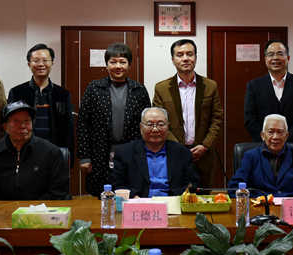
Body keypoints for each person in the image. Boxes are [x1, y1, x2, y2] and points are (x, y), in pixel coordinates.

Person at [77, 43, 150, 196]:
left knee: (130, 194)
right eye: (113, 62)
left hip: (131, 153)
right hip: (99, 153)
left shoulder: (139, 90)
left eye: (122, 62)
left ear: (129, 65)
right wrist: (84, 157)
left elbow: (147, 125)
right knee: (101, 195)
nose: (118, 66)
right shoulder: (94, 88)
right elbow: (83, 123)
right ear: (106, 65)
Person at [153, 39, 223, 187]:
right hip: (173, 153)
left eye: (189, 54)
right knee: (175, 195)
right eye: (180, 55)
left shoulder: (210, 86)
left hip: (203, 155)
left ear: (195, 57)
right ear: (173, 59)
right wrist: (179, 149)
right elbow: (159, 122)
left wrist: (205, 145)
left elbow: (217, 119)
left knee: (204, 195)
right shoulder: (161, 88)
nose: (185, 58)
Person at [0, 101, 69, 200]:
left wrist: (32, 207)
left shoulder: (51, 153)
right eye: (16, 121)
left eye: (27, 121)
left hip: (40, 208)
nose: (23, 126)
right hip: (1, 208)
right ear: (5, 127)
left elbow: (59, 193)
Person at [112, 107, 200, 198]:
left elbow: (192, 183)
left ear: (168, 127)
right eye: (149, 124)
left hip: (173, 202)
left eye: (160, 124)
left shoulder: (182, 152)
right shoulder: (124, 152)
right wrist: (134, 197)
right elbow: (118, 185)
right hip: (139, 202)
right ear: (141, 127)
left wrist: (178, 198)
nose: (155, 129)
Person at [229, 114, 293, 197]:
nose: (275, 137)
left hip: (291, 206)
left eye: (280, 132)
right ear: (262, 135)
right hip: (261, 206)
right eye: (270, 132)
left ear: (286, 136)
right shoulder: (250, 157)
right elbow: (234, 187)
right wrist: (257, 200)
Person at [7, 43, 74, 155]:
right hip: (24, 152)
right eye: (36, 61)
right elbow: (11, 126)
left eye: (45, 60)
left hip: (54, 153)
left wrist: (68, 155)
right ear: (29, 64)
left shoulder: (63, 94)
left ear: (52, 63)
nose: (41, 64)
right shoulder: (17, 92)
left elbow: (69, 129)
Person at [244, 40, 293, 144]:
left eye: (280, 54)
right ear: (265, 59)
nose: (275, 58)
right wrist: (268, 140)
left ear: (288, 58)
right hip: (263, 146)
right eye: (271, 54)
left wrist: (285, 139)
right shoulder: (254, 86)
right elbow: (250, 119)